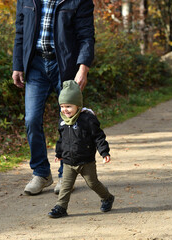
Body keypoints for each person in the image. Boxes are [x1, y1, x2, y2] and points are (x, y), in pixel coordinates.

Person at [12, 0, 95, 195]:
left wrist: (83, 68)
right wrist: (18, 64)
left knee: (67, 122)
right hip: (35, 66)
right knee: (31, 119)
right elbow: (20, 32)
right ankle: (41, 174)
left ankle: (64, 174)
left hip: (64, 66)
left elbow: (86, 36)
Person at [48, 80, 115, 218]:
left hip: (86, 161)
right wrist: (59, 152)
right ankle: (61, 207)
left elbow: (99, 137)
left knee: (93, 183)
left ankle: (107, 197)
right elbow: (61, 139)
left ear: (78, 105)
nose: (65, 110)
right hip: (68, 162)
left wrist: (104, 152)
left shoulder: (87, 119)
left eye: (68, 106)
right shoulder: (62, 121)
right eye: (62, 106)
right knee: (65, 187)